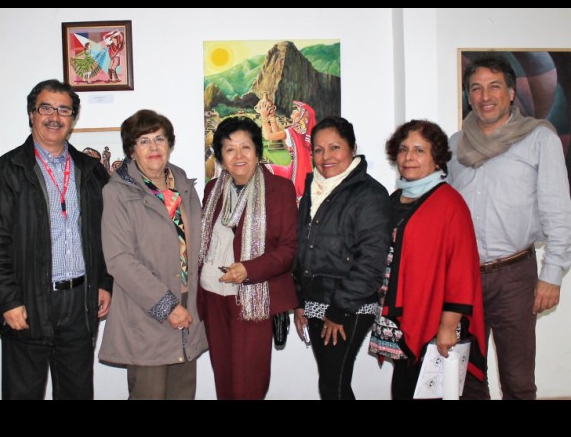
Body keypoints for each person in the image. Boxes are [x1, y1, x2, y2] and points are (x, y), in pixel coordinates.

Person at [0, 79, 112, 400]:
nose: (55, 116)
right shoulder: (7, 170)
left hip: (80, 304)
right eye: (46, 108)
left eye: (64, 109)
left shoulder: (92, 171)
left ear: (73, 118)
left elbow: (108, 232)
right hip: (27, 302)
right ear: (31, 114)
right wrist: (7, 301)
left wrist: (105, 281)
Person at [449, 55, 571, 400]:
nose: (485, 96)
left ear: (511, 92)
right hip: (463, 278)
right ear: (468, 95)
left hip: (515, 276)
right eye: (476, 88)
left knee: (517, 379)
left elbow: (559, 210)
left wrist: (551, 275)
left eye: (494, 86)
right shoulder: (456, 145)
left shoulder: (538, 139)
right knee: (467, 375)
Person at [369, 120, 487, 400]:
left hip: (435, 320)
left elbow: (462, 271)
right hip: (404, 314)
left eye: (419, 150)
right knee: (405, 390)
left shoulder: (449, 204)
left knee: (424, 393)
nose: (409, 157)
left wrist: (447, 327)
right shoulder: (396, 197)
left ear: (437, 159)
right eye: (403, 149)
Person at [99, 109, 207, 399]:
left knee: (182, 394)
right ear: (132, 149)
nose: (154, 147)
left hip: (189, 305)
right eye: (143, 141)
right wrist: (167, 306)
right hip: (147, 311)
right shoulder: (118, 193)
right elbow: (119, 260)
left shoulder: (183, 184)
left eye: (160, 138)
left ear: (170, 143)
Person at [198, 116, 298, 399]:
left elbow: (289, 249)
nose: (238, 155)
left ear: (257, 151)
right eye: (230, 149)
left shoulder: (280, 190)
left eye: (246, 147)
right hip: (213, 294)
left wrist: (249, 269)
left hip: (253, 296)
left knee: (249, 381)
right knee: (224, 377)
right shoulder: (211, 190)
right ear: (221, 156)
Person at [292, 116, 391, 400]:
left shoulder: (370, 194)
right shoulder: (313, 188)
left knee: (332, 385)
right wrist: (299, 301)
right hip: (315, 299)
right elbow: (301, 248)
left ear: (353, 147)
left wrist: (338, 311)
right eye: (319, 150)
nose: (326, 157)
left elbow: (371, 262)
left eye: (335, 147)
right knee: (331, 382)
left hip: (348, 305)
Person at [256, 97, 315, 202]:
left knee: (262, 169)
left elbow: (269, 136)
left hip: (293, 173)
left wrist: (264, 117)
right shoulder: (299, 132)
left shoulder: (293, 131)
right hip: (298, 171)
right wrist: (272, 117)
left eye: (297, 109)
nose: (294, 110)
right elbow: (279, 137)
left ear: (303, 115)